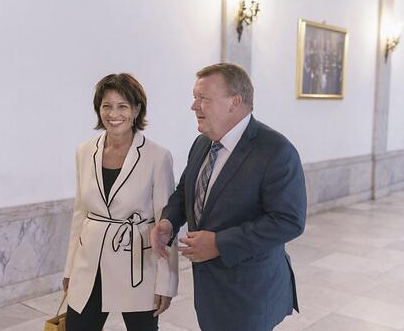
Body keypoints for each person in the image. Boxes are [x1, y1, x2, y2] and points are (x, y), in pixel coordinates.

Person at [150, 63, 307, 331]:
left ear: (234, 102)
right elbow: (185, 190)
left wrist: (219, 243)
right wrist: (168, 223)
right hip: (211, 291)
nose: (194, 106)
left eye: (203, 98)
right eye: (194, 97)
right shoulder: (203, 143)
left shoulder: (276, 150)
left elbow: (289, 221)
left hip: (250, 292)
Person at [63, 73, 178, 331]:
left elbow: (165, 225)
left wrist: (166, 283)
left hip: (137, 263)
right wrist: (70, 268)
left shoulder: (158, 157)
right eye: (107, 106)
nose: (114, 114)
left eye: (123, 106)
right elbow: (80, 213)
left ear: (136, 110)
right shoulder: (84, 151)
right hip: (89, 264)